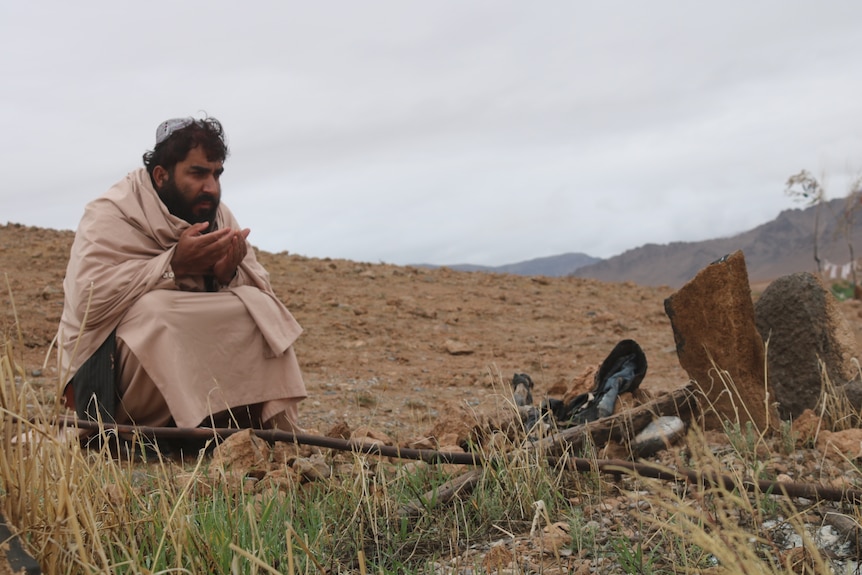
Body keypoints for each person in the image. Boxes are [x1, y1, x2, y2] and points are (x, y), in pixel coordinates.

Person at [57, 116, 306, 431]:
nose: (211, 187)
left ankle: (230, 419)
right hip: (108, 377)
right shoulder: (111, 213)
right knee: (156, 312)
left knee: (259, 308)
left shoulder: (216, 215)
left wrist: (225, 274)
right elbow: (88, 303)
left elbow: (262, 288)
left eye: (217, 174)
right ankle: (165, 429)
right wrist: (174, 265)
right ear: (161, 175)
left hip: (186, 352)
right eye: (198, 173)